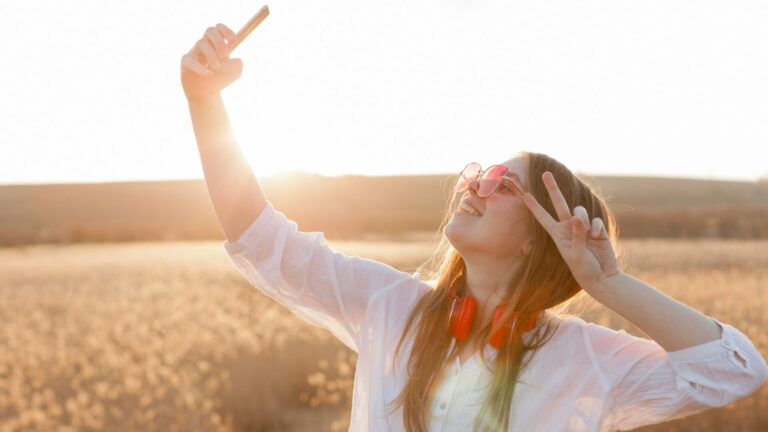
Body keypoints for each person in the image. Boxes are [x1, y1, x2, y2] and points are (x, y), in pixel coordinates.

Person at [180, 23, 768, 432]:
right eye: (477, 174)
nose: (473, 185)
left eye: (502, 185)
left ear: (538, 237)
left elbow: (734, 371)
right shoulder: (388, 306)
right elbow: (261, 240)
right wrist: (204, 103)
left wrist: (607, 282)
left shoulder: (583, 357)